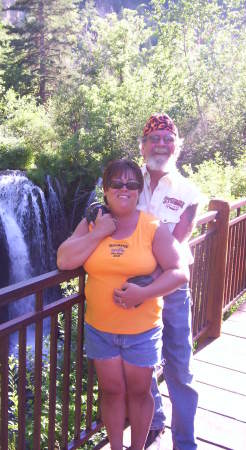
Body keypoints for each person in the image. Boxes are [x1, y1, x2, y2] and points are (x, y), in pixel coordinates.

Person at [57, 159, 189, 450]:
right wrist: (98, 232)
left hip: (142, 330)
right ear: (105, 190)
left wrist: (143, 294)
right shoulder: (93, 221)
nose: (124, 189)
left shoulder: (152, 227)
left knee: (141, 393)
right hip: (100, 329)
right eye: (116, 183)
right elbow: (64, 259)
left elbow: (180, 272)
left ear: (139, 191)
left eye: (131, 184)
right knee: (111, 391)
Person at [137, 113, 201, 450]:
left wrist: (149, 287)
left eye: (167, 138)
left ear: (177, 146)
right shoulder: (130, 182)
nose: (160, 144)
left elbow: (176, 244)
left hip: (172, 289)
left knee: (179, 366)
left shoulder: (189, 192)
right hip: (136, 287)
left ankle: (185, 442)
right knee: (141, 360)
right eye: (153, 139)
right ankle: (154, 421)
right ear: (143, 145)